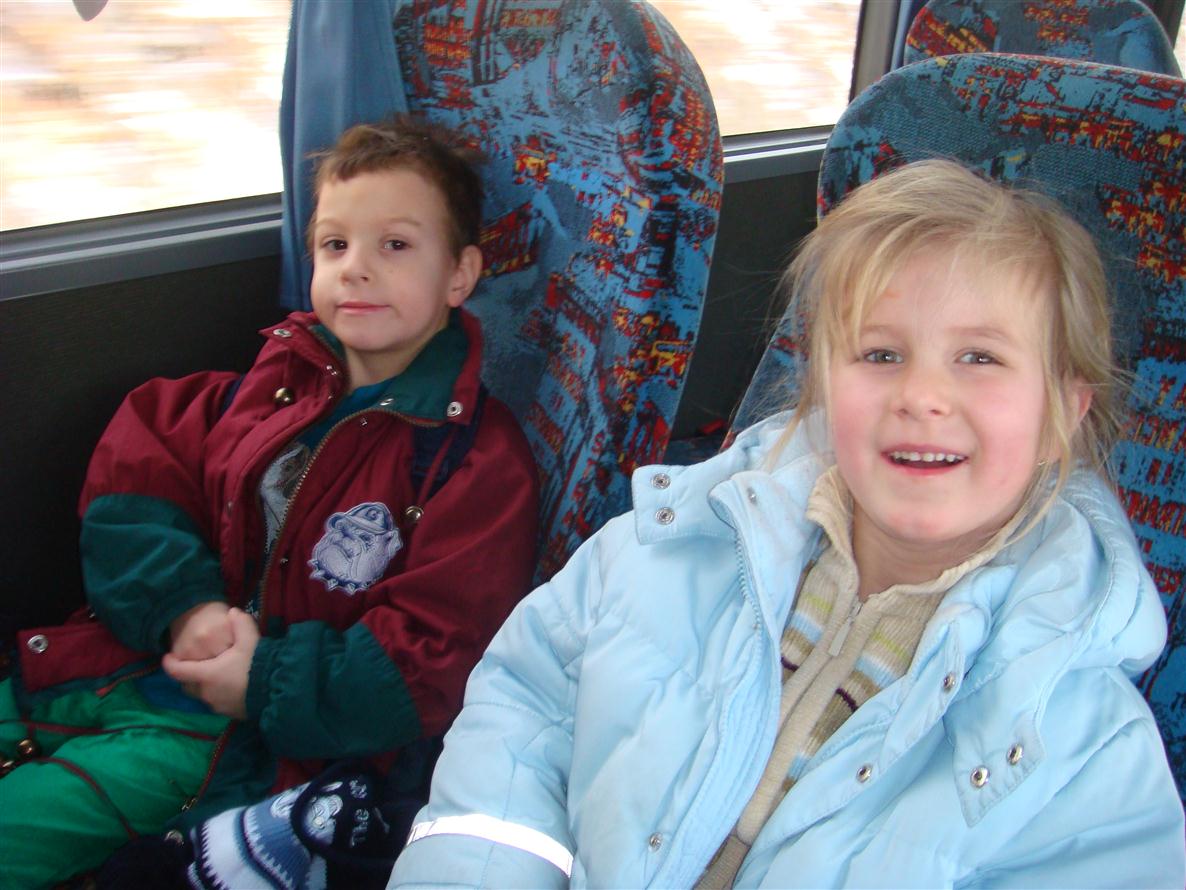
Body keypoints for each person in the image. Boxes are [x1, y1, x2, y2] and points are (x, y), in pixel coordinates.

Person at [388, 159, 1185, 889]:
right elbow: (523, 717)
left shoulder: (1084, 750)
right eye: (880, 355)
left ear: (1062, 414)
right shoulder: (672, 546)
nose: (922, 397)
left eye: (980, 357)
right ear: (822, 386)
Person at [0, 116, 539, 888]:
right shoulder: (278, 381)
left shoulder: (475, 463)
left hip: (233, 743)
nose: (355, 269)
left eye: (394, 245)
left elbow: (433, 661)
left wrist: (261, 679)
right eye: (334, 245)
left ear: (459, 275)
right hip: (112, 665)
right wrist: (185, 608)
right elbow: (140, 467)